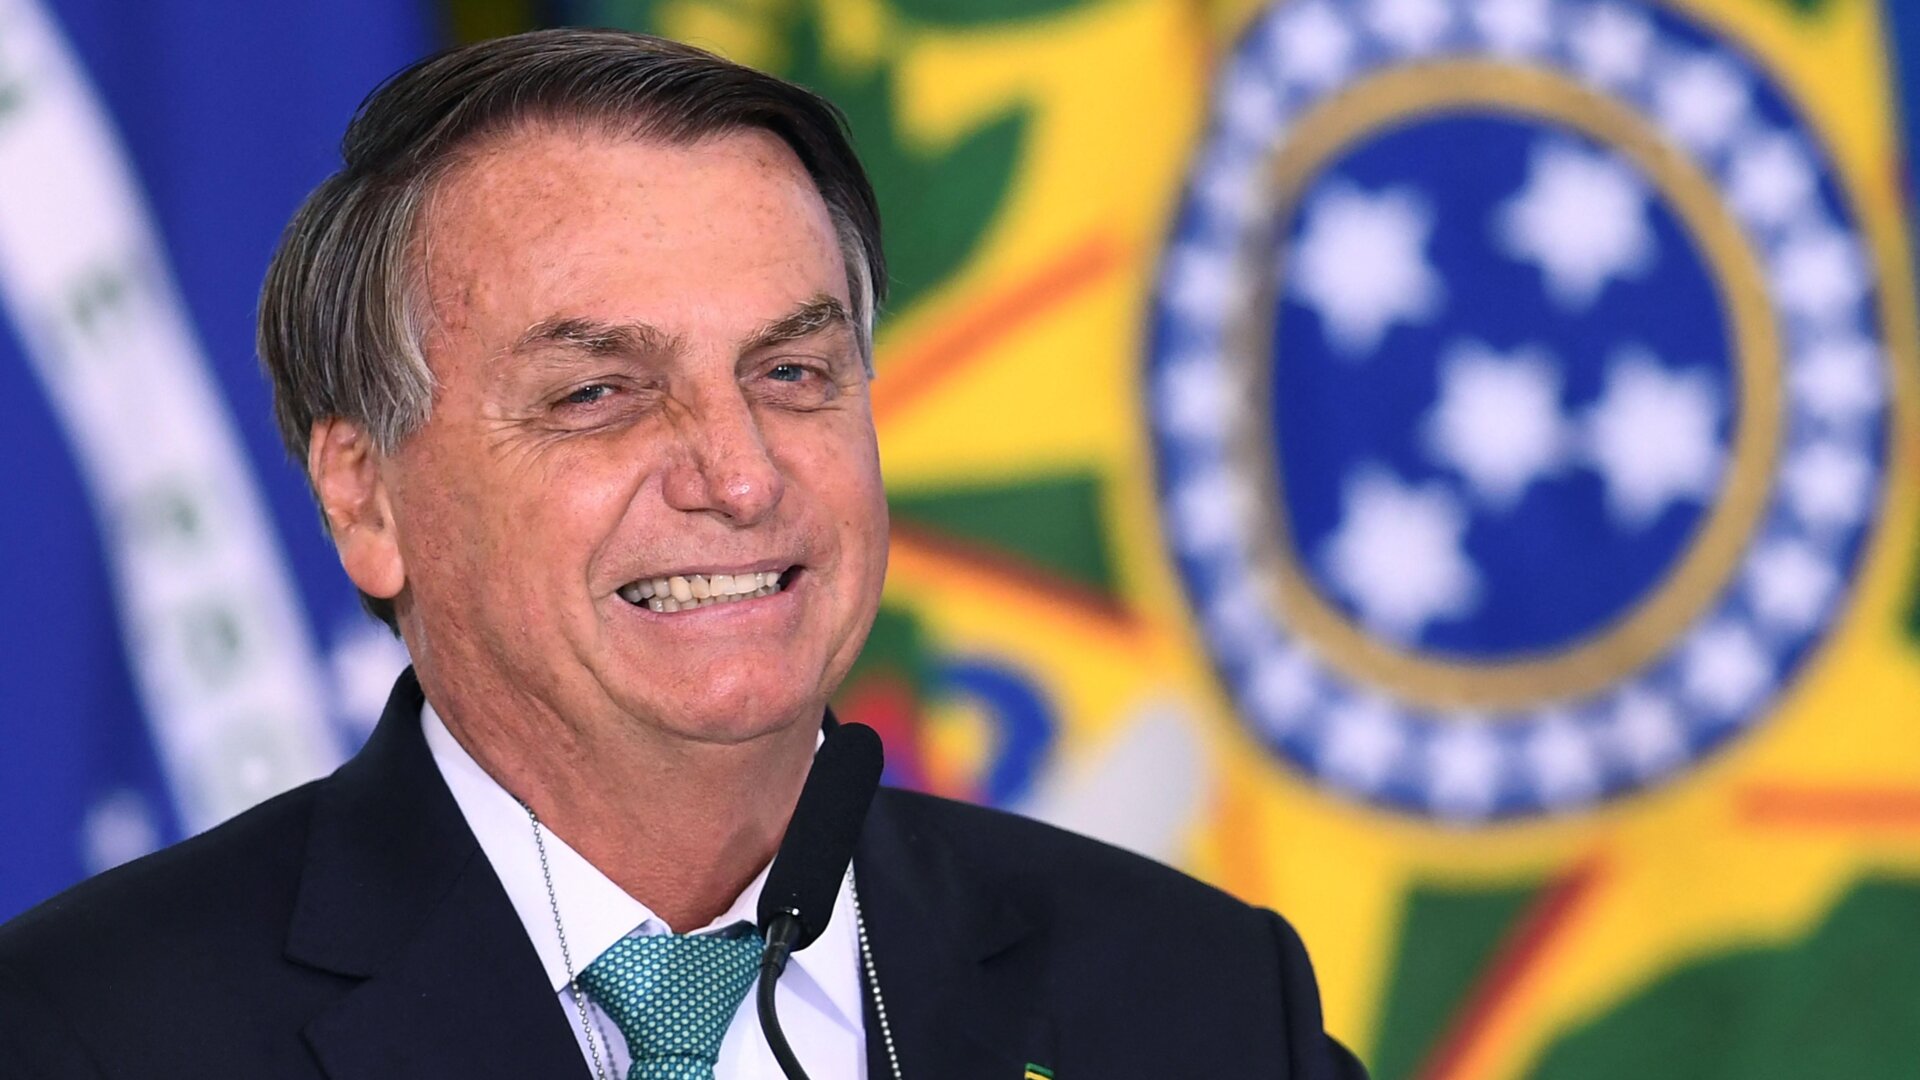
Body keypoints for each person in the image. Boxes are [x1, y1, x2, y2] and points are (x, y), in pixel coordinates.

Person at [0, 28, 1365, 1080]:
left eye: (791, 370)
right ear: (364, 501)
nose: (739, 471)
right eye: (599, 392)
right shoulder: (87, 1034)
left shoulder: (1205, 1000)